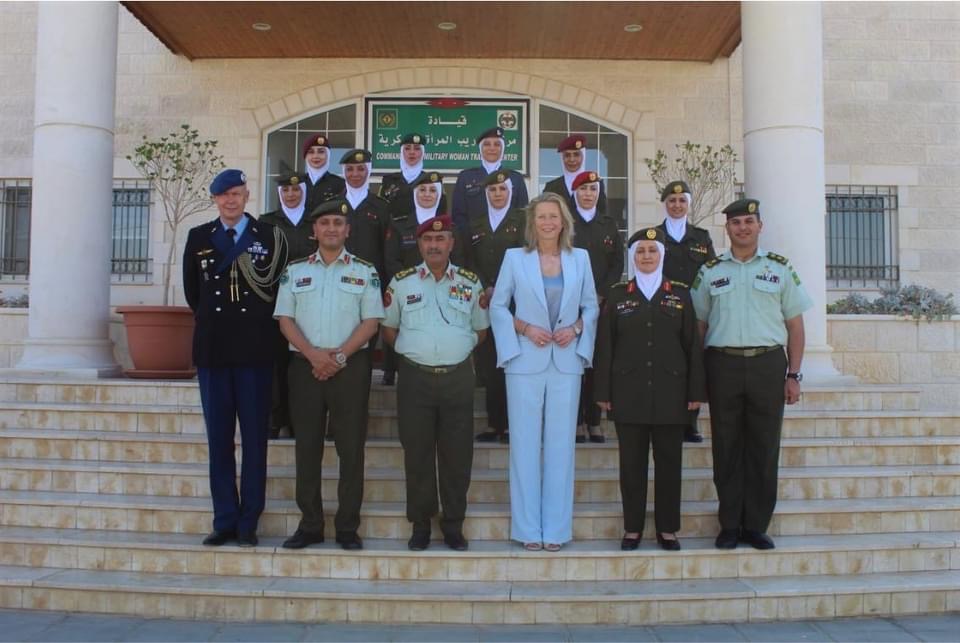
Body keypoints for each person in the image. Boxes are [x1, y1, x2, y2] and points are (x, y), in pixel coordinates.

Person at [690, 198, 813, 551]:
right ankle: (730, 525)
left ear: (760, 226)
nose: (742, 228)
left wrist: (794, 374)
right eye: (736, 223)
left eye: (748, 221)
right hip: (722, 364)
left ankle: (756, 525)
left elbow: (795, 325)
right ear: (727, 229)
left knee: (764, 446)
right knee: (726, 447)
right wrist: (697, 377)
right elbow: (698, 326)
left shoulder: (780, 268)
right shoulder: (710, 271)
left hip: (767, 364)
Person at [182, 169, 288, 547]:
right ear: (215, 199)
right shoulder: (199, 237)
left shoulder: (268, 236)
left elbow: (277, 290)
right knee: (219, 440)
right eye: (224, 194)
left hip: (255, 351)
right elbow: (194, 293)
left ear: (247, 196)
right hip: (214, 351)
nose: (231, 200)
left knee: (255, 440)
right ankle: (224, 518)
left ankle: (248, 521)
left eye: (237, 194)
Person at [489, 192, 599, 551]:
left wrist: (577, 329)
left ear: (564, 221)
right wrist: (524, 328)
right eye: (541, 217)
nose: (548, 222)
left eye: (554, 216)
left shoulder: (580, 259)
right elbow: (498, 307)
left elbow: (591, 307)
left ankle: (555, 530)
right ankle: (526, 529)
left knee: (561, 447)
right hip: (524, 361)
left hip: (565, 362)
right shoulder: (515, 259)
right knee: (523, 445)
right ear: (532, 223)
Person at [274, 198, 384, 551]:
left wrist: (337, 357)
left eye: (338, 223)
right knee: (307, 448)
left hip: (350, 368)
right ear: (315, 230)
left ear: (348, 230)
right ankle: (310, 525)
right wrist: (313, 355)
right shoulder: (295, 271)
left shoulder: (366, 271)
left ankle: (348, 527)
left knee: (351, 449)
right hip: (305, 367)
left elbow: (371, 323)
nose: (332, 228)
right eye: (325, 223)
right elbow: (285, 320)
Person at [381, 214, 489, 552]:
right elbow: (389, 329)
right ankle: (421, 524)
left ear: (451, 243)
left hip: (457, 378)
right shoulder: (402, 283)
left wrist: (456, 349)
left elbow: (480, 330)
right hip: (415, 378)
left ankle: (453, 524)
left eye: (441, 239)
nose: (434, 245)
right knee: (418, 454)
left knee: (457, 455)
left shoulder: (470, 283)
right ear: (419, 244)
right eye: (428, 240)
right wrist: (417, 351)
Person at [594, 227, 706, 551]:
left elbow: (692, 345)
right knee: (632, 466)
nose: (646, 256)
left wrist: (695, 393)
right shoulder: (618, 294)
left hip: (672, 393)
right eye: (640, 251)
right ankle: (633, 528)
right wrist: (603, 392)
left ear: (662, 255)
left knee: (669, 465)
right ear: (633, 257)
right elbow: (605, 345)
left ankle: (667, 529)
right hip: (628, 393)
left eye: (652, 251)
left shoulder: (680, 294)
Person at [465, 171, 527, 444]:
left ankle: (513, 424)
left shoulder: (522, 221)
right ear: (486, 193)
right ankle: (494, 423)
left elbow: (525, 258)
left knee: (513, 363)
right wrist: (485, 286)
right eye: (493, 190)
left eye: (502, 189)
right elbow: (469, 260)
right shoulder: (475, 224)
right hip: (485, 301)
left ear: (510, 192)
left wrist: (501, 288)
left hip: (515, 303)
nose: (498, 194)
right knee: (490, 365)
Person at [655, 180, 717, 443]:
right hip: (664, 310)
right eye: (672, 200)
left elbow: (712, 272)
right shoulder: (655, 236)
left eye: (682, 201)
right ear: (665, 204)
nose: (677, 205)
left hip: (695, 312)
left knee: (694, 365)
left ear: (688, 205)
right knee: (667, 365)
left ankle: (690, 422)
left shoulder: (701, 237)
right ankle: (669, 418)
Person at [258, 164, 314, 439]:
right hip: (276, 302)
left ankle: (297, 419)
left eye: (295, 190)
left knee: (303, 363)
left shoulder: (315, 221)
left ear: (303, 191)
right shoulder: (266, 222)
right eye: (286, 190)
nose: (291, 195)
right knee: (276, 363)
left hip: (310, 303)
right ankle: (275, 418)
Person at [568, 171, 624, 444]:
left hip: (601, 305)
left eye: (593, 189)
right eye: (583, 189)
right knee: (573, 362)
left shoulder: (609, 224)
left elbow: (617, 263)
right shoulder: (566, 223)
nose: (588, 194)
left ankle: (594, 421)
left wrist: (601, 294)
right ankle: (576, 421)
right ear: (575, 193)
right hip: (570, 305)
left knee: (596, 362)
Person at [382, 170, 450, 385]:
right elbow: (391, 260)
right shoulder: (399, 224)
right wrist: (410, 285)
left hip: (441, 290)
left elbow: (457, 260)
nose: (427, 194)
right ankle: (391, 371)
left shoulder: (450, 227)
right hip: (406, 291)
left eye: (432, 190)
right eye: (422, 190)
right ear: (414, 194)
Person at [451, 126, 528, 233]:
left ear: (502, 148)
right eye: (487, 144)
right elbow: (458, 215)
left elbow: (523, 214)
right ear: (480, 148)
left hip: (508, 240)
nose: (492, 148)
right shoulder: (465, 177)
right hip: (473, 240)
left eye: (497, 144)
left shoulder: (515, 178)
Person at [542, 134, 607, 215]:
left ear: (583, 156)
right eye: (567, 155)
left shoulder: (596, 184)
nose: (572, 159)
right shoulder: (551, 187)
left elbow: (602, 215)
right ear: (562, 158)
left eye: (576, 155)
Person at [302, 134, 346, 216]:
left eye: (321, 152)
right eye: (311, 152)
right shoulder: (299, 183)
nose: (316, 156)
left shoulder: (340, 184)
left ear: (328, 155)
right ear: (306, 156)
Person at [378, 132, 428, 204]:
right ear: (402, 152)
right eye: (407, 148)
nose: (412, 152)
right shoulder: (389, 181)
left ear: (422, 153)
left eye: (417, 149)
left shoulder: (429, 180)